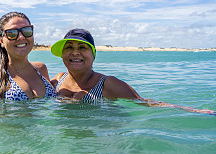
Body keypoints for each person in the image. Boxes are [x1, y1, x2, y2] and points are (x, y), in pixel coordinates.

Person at [50, 28, 215, 115]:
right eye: (69, 47)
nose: (75, 52)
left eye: (82, 48)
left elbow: (145, 102)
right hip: (66, 137)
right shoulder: (58, 79)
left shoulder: (108, 84)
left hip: (97, 138)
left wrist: (195, 111)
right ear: (63, 54)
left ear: (93, 55)